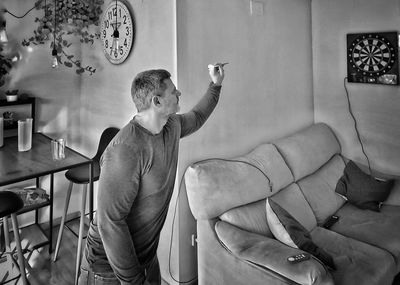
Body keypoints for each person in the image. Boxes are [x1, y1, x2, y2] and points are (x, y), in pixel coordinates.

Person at [78, 64, 225, 285]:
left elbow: (197, 116)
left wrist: (216, 83)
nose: (179, 93)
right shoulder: (124, 150)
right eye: (173, 91)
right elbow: (111, 222)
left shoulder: (172, 125)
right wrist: (134, 280)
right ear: (156, 102)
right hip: (109, 269)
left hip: (146, 258)